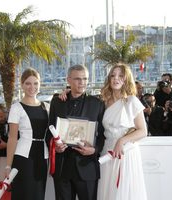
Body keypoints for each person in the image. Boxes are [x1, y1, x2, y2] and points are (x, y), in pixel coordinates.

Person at [46, 64, 105, 200]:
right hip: (62, 168)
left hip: (87, 167)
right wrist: (55, 146)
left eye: (85, 79)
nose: (82, 82)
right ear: (68, 80)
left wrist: (94, 150)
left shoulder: (97, 103)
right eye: (78, 79)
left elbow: (102, 134)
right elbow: (49, 131)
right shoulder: (57, 102)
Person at [97, 63, 147, 200]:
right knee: (108, 191)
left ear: (126, 79)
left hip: (125, 152)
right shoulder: (104, 101)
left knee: (124, 192)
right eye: (112, 75)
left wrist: (121, 141)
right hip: (107, 152)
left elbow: (143, 131)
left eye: (120, 76)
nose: (116, 79)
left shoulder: (132, 101)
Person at [5, 67, 49, 200]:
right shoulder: (16, 107)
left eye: (35, 83)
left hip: (42, 156)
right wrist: (8, 165)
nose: (32, 87)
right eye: (28, 83)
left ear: (40, 84)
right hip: (23, 157)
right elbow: (12, 138)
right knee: (24, 193)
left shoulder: (46, 106)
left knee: (39, 194)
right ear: (22, 85)